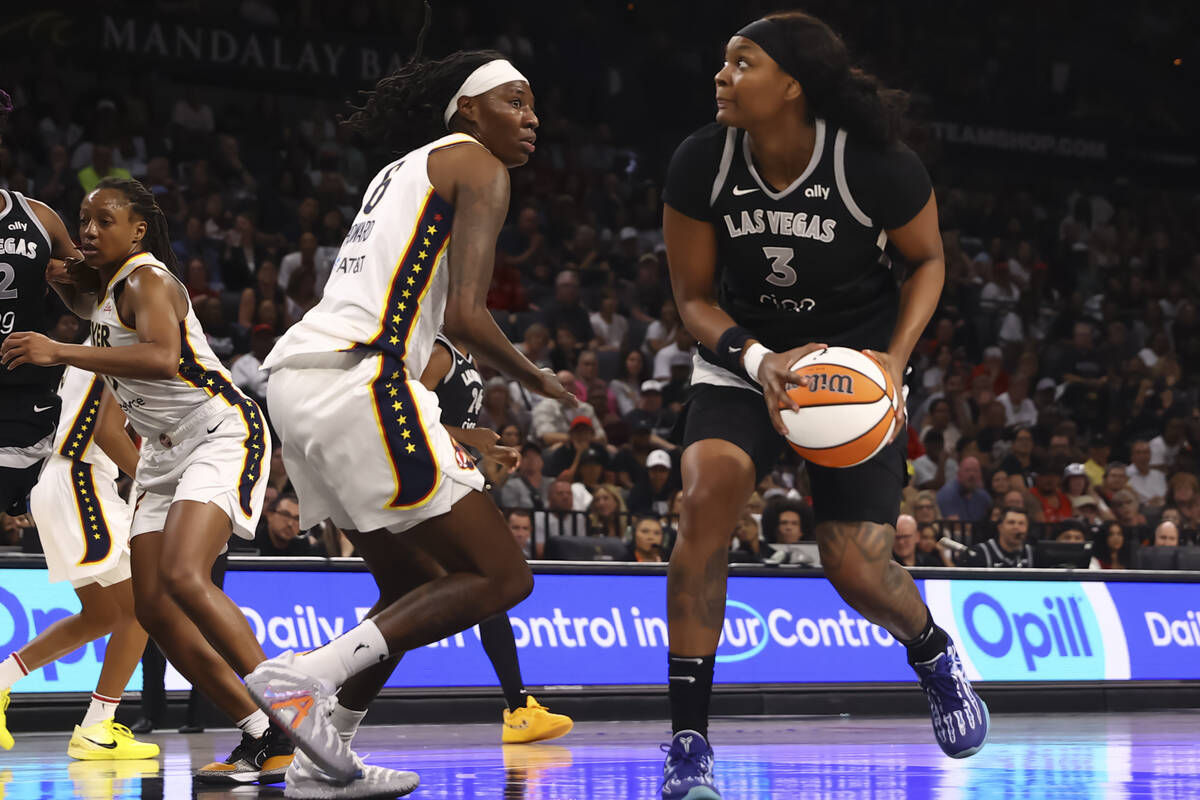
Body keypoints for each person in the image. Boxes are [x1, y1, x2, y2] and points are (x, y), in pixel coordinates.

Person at [658, 13, 988, 795]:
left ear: (793, 85)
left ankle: (933, 652)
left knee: (854, 565)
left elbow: (930, 260)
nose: (722, 74)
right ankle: (689, 742)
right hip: (748, 355)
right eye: (723, 60)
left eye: (742, 62)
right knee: (706, 498)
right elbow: (693, 297)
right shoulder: (702, 161)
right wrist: (761, 360)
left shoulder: (877, 164)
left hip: (853, 367)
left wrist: (894, 364)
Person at [257, 47, 575, 794]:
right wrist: (534, 376)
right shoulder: (479, 166)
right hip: (361, 377)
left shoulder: (400, 169)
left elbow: (431, 315)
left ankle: (324, 753)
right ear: (469, 108)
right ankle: (302, 677)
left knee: (412, 582)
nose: (532, 120)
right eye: (516, 102)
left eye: (534, 107)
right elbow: (465, 313)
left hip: (302, 382)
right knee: (502, 575)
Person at [2, 178, 295, 785]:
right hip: (162, 455)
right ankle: (262, 734)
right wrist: (44, 268)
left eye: (104, 220)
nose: (88, 230)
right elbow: (59, 276)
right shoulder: (104, 290)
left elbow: (163, 357)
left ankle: (294, 712)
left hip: (218, 431)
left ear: (137, 230)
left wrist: (57, 350)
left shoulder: (147, 279)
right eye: (83, 220)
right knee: (153, 609)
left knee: (184, 578)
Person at [418, 331, 573, 744]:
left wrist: (488, 451)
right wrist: (475, 441)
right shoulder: (438, 352)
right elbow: (412, 418)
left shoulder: (465, 353)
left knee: (484, 592)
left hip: (459, 474)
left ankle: (519, 706)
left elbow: (455, 426)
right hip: (435, 480)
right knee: (488, 585)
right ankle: (518, 707)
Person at [0, 358, 158, 760]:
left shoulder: (88, 351)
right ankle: (96, 727)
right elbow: (106, 431)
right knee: (143, 608)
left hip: (58, 482)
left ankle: (1, 680)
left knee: (104, 615)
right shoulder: (118, 347)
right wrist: (157, 479)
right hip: (80, 481)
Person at [962, 507, 1035, 568]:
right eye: (1011, 522)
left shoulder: (1033, 554)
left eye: (1021, 523)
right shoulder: (980, 553)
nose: (1016, 527)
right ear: (1000, 527)